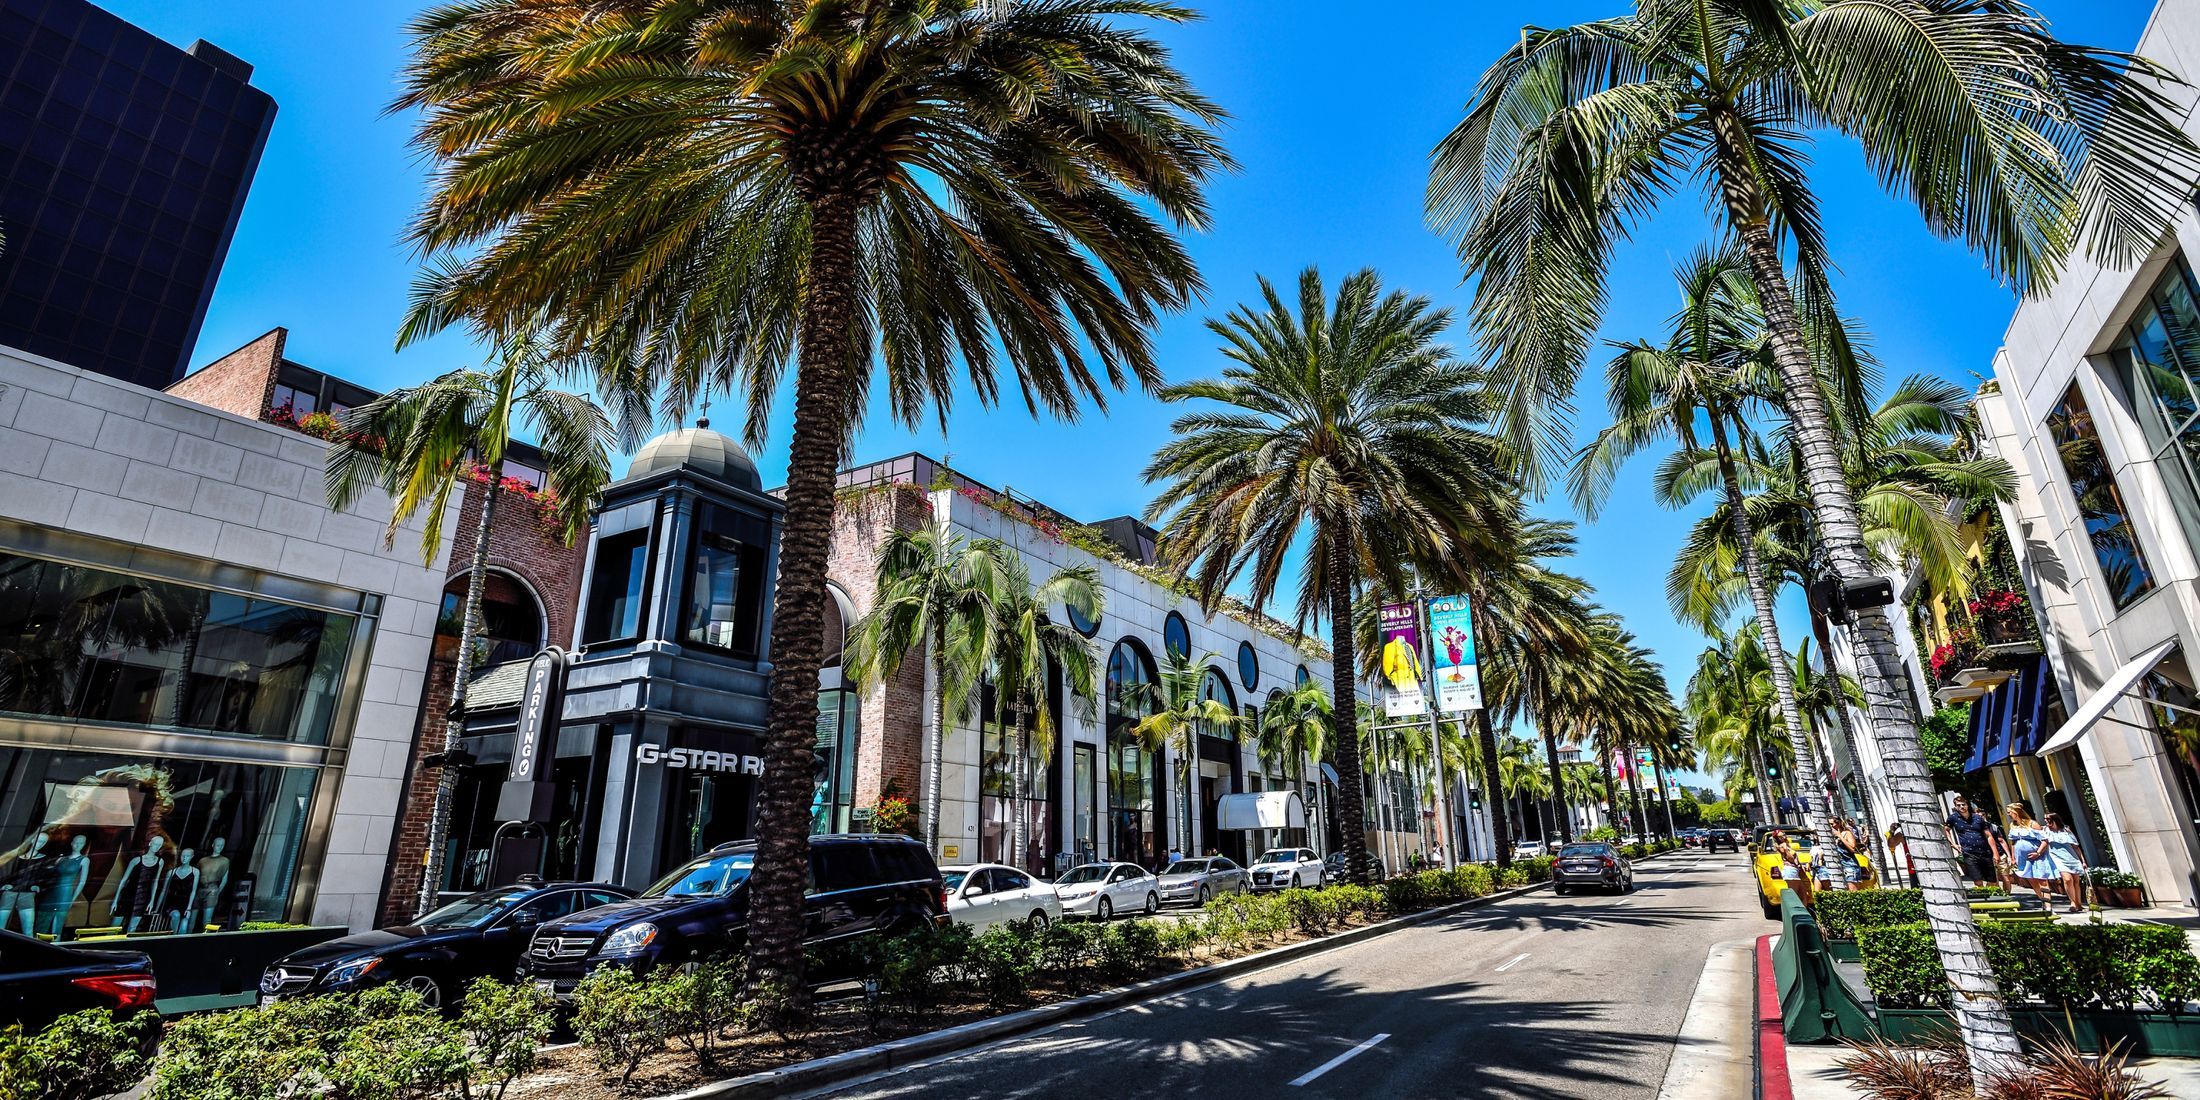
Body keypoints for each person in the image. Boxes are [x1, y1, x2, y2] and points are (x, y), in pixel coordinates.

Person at [1943, 795, 2006, 889]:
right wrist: (1953, 844)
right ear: (1955, 807)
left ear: (1967, 805)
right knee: (1978, 881)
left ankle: (1991, 898)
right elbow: (1946, 830)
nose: (1961, 807)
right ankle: (1984, 899)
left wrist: (1995, 853)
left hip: (1984, 851)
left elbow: (1988, 835)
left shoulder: (1977, 818)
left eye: (1963, 804)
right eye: (1958, 805)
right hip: (1968, 853)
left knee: (1992, 881)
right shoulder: (1953, 818)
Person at [2037, 811, 2088, 913]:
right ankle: (2072, 902)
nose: (2046, 821)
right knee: (2067, 879)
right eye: (2045, 819)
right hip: (2057, 858)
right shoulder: (2045, 830)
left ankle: (2079, 903)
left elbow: (2076, 847)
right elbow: (2044, 841)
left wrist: (2083, 861)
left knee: (2076, 881)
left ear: (2055, 820)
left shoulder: (2066, 830)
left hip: (2071, 857)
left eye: (2048, 819)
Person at [1771, 829, 1815, 908]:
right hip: (1790, 871)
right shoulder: (1782, 846)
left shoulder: (1786, 845)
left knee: (1803, 894)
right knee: (1794, 894)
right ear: (1777, 838)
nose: (1783, 837)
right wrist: (1786, 850)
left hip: (1794, 871)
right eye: (1780, 836)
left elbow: (1796, 860)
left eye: (1784, 834)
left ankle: (1802, 911)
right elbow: (1790, 858)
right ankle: (1792, 911)